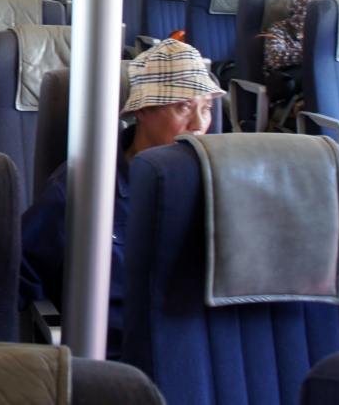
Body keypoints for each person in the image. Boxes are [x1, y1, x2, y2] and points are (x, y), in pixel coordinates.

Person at [20, 39, 222, 358]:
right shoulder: (82, 188)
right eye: (184, 106)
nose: (199, 124)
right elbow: (18, 277)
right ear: (143, 110)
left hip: (195, 351)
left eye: (206, 108)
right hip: (114, 355)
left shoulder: (217, 184)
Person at [260, 0, 333, 102]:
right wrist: (312, 52)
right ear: (304, 10)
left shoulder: (324, 34)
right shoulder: (279, 29)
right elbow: (275, 58)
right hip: (286, 87)